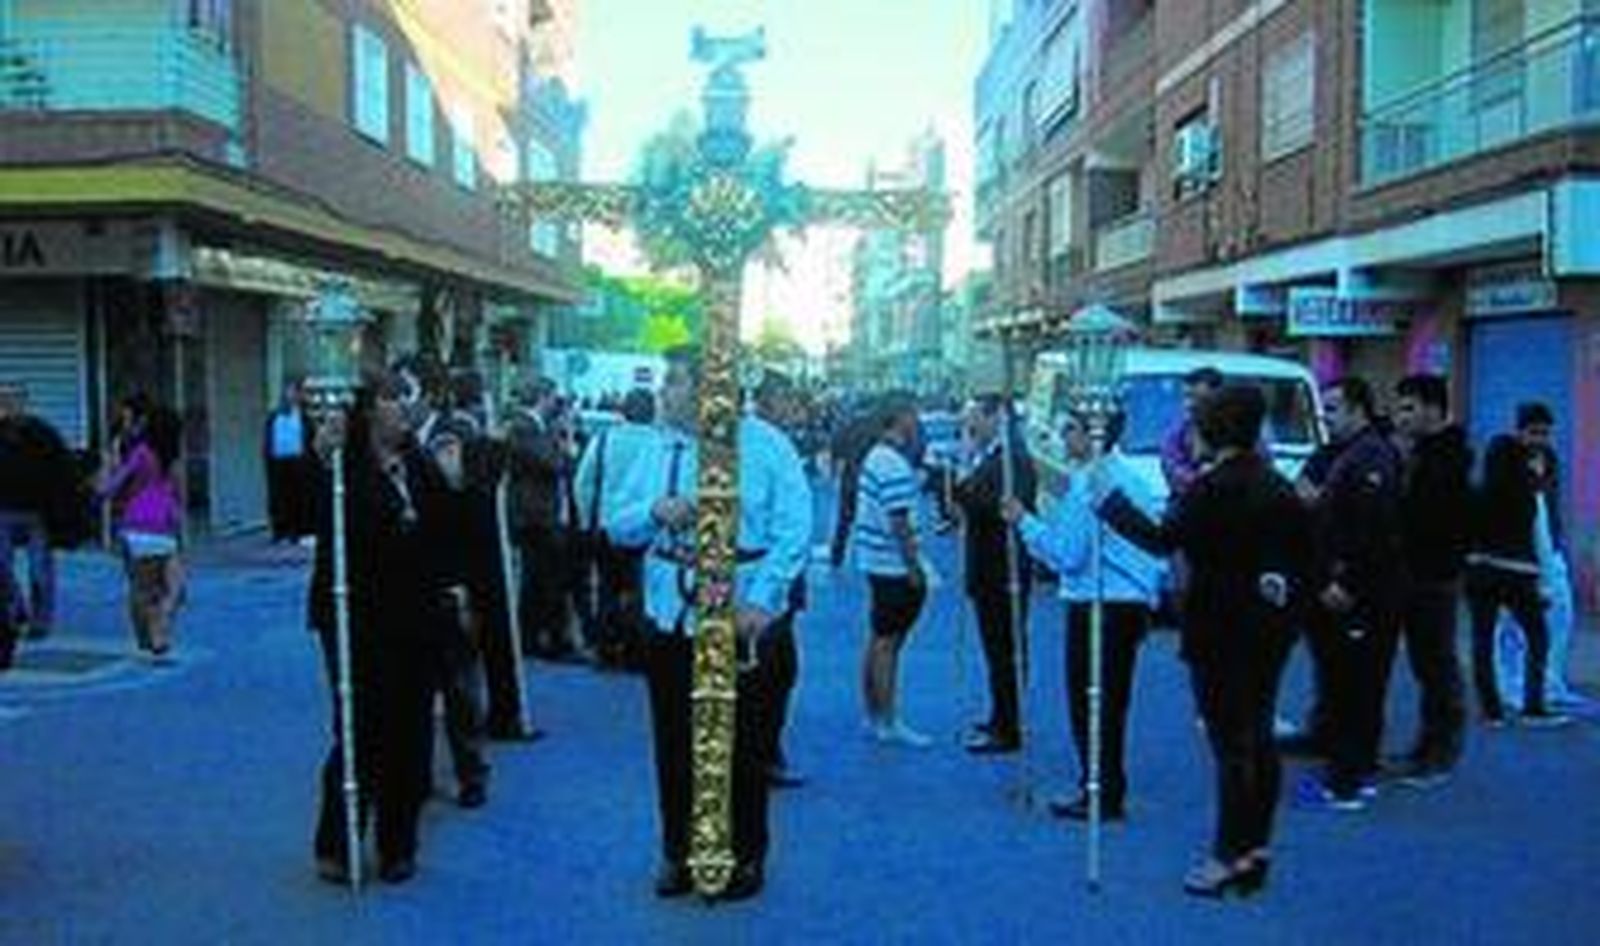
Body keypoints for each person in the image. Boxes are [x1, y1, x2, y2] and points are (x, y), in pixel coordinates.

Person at [608, 346, 812, 902]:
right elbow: (615, 523)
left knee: (743, 743)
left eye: (674, 381)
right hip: (670, 616)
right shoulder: (658, 449)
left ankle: (744, 854)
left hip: (740, 615)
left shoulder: (767, 447)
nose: (664, 392)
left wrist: (763, 601)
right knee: (674, 739)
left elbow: (794, 530)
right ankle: (679, 851)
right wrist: (654, 511)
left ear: (706, 390)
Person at [1098, 384, 1313, 897]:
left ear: (1212, 431)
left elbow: (1161, 538)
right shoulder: (1277, 486)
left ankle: (1228, 855)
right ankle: (1255, 846)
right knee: (1258, 737)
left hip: (1220, 630)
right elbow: (1304, 557)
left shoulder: (1211, 488)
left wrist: (1109, 502)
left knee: (1231, 745)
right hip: (1269, 631)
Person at [306, 373, 456, 885]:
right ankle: (338, 841)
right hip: (358, 617)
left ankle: (398, 845)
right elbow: (312, 516)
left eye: (405, 397)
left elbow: (446, 524)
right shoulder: (343, 469)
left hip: (416, 617)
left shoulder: (421, 464)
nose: (404, 408)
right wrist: (320, 459)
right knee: (360, 724)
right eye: (393, 399)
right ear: (369, 411)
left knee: (411, 729)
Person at [1006, 407, 1160, 818]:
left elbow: (1066, 555)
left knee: (1090, 702)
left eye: (1070, 429)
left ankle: (1099, 791)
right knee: (1112, 702)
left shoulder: (1090, 483)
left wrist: (1025, 522)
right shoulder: (1128, 476)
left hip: (1098, 603)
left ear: (1094, 434)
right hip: (1127, 601)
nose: (1062, 438)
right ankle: (1107, 787)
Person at [1295, 377, 1405, 812]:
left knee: (1356, 686)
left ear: (1358, 409)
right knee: (1343, 682)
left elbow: (1375, 530)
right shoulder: (1340, 454)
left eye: (1333, 409)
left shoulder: (1372, 457)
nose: (1326, 418)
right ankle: (1349, 765)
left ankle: (1347, 780)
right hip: (1336, 584)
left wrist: (1347, 583)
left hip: (1361, 593)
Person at [1381, 374, 1471, 787]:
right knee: (1425, 665)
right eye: (1398, 408)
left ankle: (1440, 754)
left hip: (1435, 574)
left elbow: (1431, 516)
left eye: (1409, 409)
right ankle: (1424, 748)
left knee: (1437, 667)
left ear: (1433, 410)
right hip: (1412, 572)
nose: (1400, 417)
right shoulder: (1419, 452)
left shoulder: (1448, 457)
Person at [1466, 429, 1572, 728]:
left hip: (1480, 573)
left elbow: (1461, 534)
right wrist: (1546, 584)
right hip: (1517, 574)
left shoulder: (1477, 492)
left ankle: (1490, 710)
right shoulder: (1527, 494)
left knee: (1482, 640)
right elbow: (1542, 540)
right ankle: (1532, 705)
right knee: (1538, 636)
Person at [953, 393, 1037, 755]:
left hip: (1003, 568)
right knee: (995, 648)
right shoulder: (990, 457)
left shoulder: (1013, 459)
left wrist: (963, 489)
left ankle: (1009, 725)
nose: (970, 425)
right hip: (988, 566)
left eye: (976, 417)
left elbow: (999, 508)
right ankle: (1000, 714)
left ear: (996, 418)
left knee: (1006, 649)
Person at [854, 393, 933, 748]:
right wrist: (914, 566)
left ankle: (875, 712)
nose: (917, 421)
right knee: (888, 644)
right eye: (913, 414)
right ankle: (887, 719)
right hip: (892, 566)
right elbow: (899, 521)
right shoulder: (892, 463)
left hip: (877, 561)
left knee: (878, 639)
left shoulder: (877, 456)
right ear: (899, 417)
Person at [749, 370, 811, 788]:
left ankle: (766, 751)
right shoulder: (764, 444)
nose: (795, 408)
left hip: (779, 579)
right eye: (787, 399)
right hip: (763, 581)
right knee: (772, 671)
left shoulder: (778, 443)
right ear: (768, 401)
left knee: (780, 670)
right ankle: (762, 755)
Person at [574, 387, 659, 671]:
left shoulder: (603, 440)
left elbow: (583, 482)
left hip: (606, 525)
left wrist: (587, 520)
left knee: (607, 590)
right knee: (641, 591)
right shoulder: (659, 444)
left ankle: (607, 650)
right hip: (647, 528)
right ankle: (635, 652)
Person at [98, 405, 185, 660]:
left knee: (141, 588)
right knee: (175, 588)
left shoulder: (142, 453)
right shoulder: (173, 460)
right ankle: (161, 627)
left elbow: (114, 485)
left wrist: (107, 471)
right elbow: (177, 495)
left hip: (136, 525)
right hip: (165, 527)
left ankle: (147, 636)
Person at [507, 378, 579, 661]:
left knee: (540, 580)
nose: (555, 404)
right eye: (552, 398)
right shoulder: (524, 427)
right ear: (542, 397)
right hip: (535, 516)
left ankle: (536, 638)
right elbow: (555, 463)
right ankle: (540, 640)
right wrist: (567, 445)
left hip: (540, 514)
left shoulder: (536, 427)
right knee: (542, 580)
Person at [0, 381, 75, 641]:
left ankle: (39, 622)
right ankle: (16, 608)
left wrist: (62, 512)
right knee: (2, 567)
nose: (9, 404)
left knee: (39, 571)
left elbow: (61, 470)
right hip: (3, 510)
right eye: (4, 399)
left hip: (37, 514)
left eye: (14, 398)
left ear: (24, 402)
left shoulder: (42, 433)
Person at [263, 378, 315, 543]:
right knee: (279, 496)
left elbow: (309, 437)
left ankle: (299, 529)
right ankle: (280, 530)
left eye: (294, 392)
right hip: (278, 461)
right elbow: (268, 438)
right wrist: (268, 456)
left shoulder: (304, 416)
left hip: (298, 461)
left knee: (298, 496)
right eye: (288, 392)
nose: (291, 396)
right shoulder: (274, 416)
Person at [1160, 366, 1224, 497]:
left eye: (1201, 399)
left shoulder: (1242, 432)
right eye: (1188, 396)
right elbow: (1176, 474)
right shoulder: (1177, 434)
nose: (1190, 405)